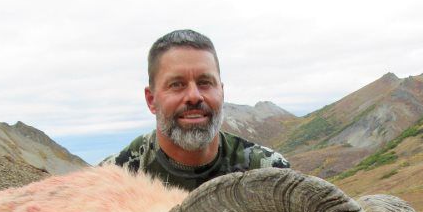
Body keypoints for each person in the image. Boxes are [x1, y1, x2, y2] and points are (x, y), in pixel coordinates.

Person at [101, 29, 290, 191]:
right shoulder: (112, 180)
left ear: (221, 92)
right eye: (176, 84)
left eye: (205, 82)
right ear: (151, 100)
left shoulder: (270, 172)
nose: (194, 96)